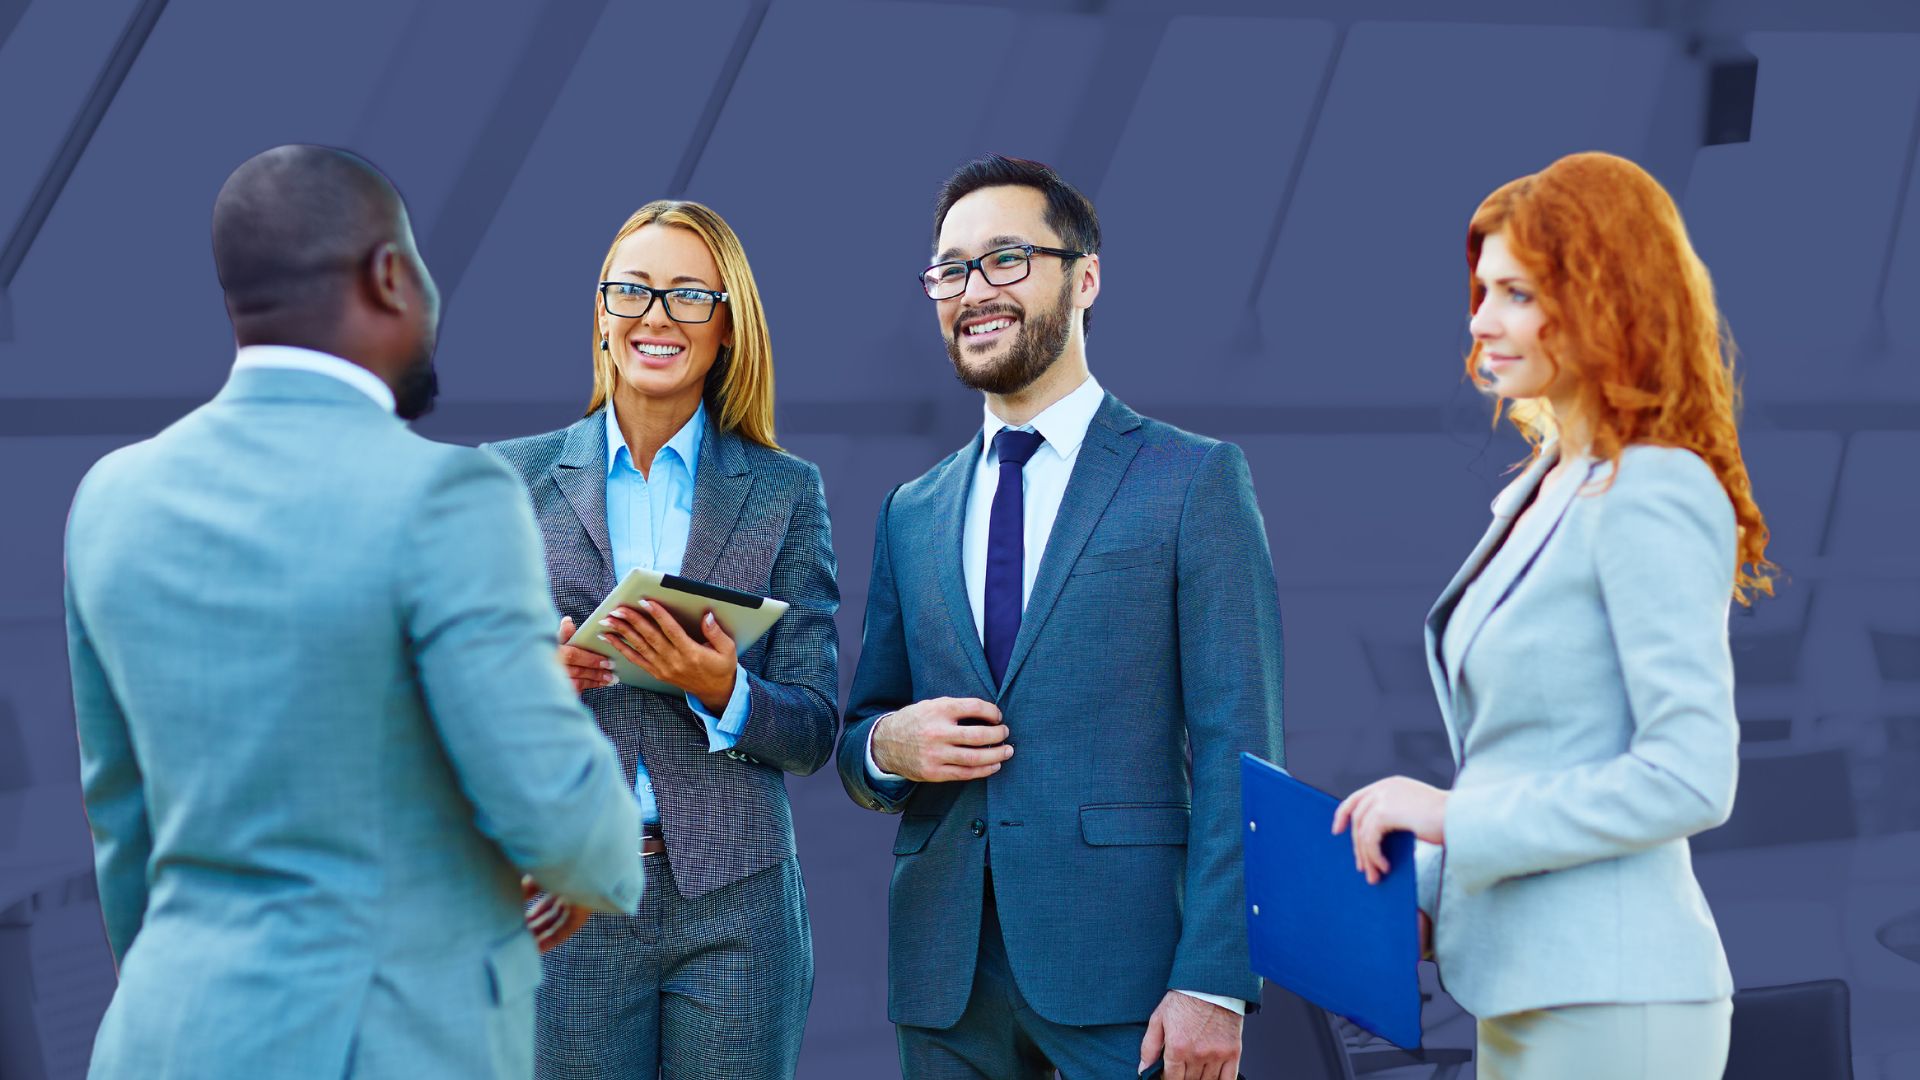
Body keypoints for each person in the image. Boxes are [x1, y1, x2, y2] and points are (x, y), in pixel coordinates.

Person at [64, 144, 644, 1080]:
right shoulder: (449, 496)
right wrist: (595, 851)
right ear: (389, 274)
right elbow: (558, 817)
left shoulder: (109, 498)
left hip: (162, 1037)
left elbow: (123, 823)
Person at [835, 154, 1284, 1080]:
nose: (973, 290)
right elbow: (860, 731)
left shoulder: (1192, 479)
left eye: (1005, 259)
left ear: (1085, 278)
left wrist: (1216, 978)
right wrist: (889, 747)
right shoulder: (910, 510)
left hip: (1130, 981)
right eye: (950, 269)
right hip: (944, 980)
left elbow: (1243, 745)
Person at [1332, 151, 1774, 1080]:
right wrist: (1429, 881)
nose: (1481, 321)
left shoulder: (1650, 490)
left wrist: (1453, 816)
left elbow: (1691, 779)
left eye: (1517, 294)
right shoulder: (1544, 489)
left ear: (1604, 300)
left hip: (1615, 998)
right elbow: (1529, 757)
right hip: (1523, 987)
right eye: (1482, 290)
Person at [483, 199, 839, 1080]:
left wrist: (726, 691)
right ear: (602, 318)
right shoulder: (507, 478)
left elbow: (817, 727)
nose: (656, 315)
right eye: (633, 291)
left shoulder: (786, 493)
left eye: (688, 296)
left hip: (736, 906)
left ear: (726, 330)